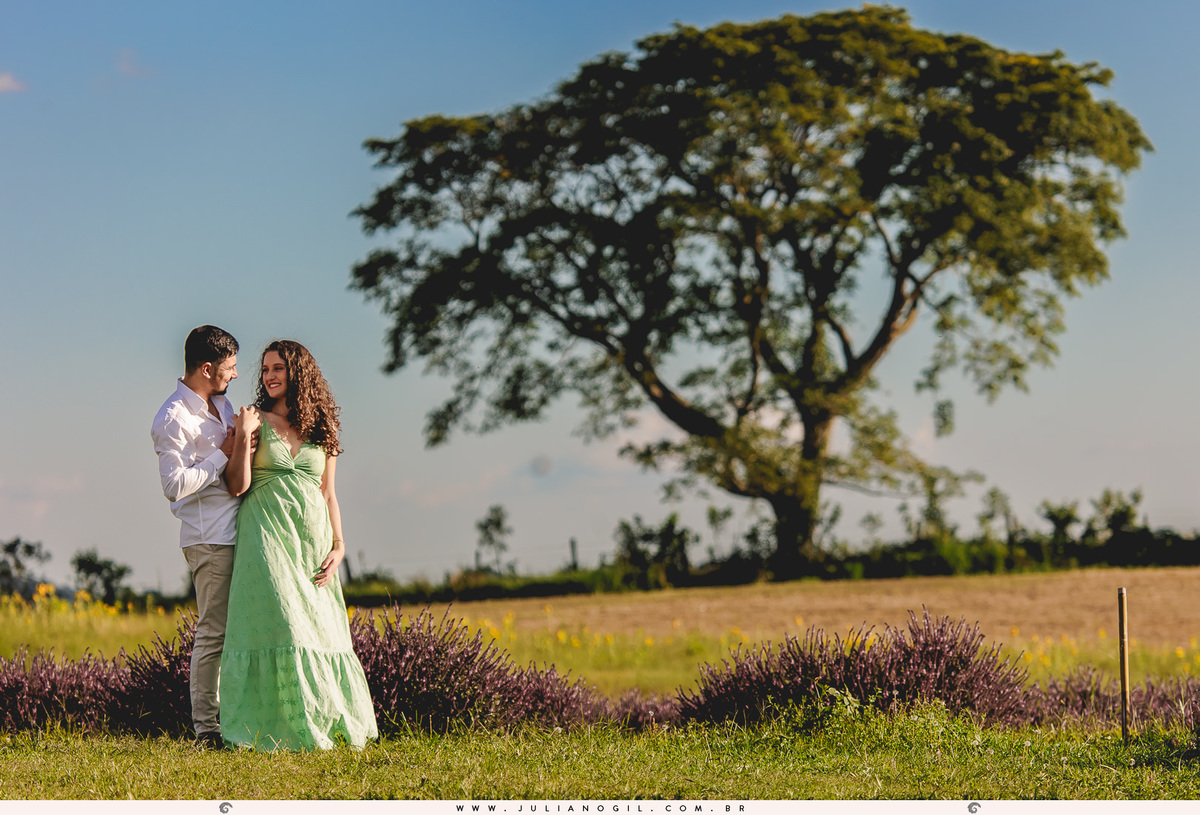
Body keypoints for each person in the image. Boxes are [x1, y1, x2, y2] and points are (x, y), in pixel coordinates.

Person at [219, 339, 378, 750]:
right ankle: (277, 726)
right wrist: (244, 436)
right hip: (266, 534)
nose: (269, 376)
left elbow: (328, 494)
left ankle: (326, 718)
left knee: (319, 629)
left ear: (298, 374)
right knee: (285, 623)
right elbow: (236, 486)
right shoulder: (253, 420)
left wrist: (339, 545)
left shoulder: (323, 429)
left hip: (312, 541)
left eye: (278, 369)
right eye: (266, 369)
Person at [150, 325, 241, 749]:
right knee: (213, 632)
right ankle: (207, 728)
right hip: (209, 538)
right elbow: (174, 485)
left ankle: (242, 715)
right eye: (230, 368)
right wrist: (224, 453)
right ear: (207, 368)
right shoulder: (172, 419)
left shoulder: (221, 403)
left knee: (239, 629)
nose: (235, 375)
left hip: (241, 530)